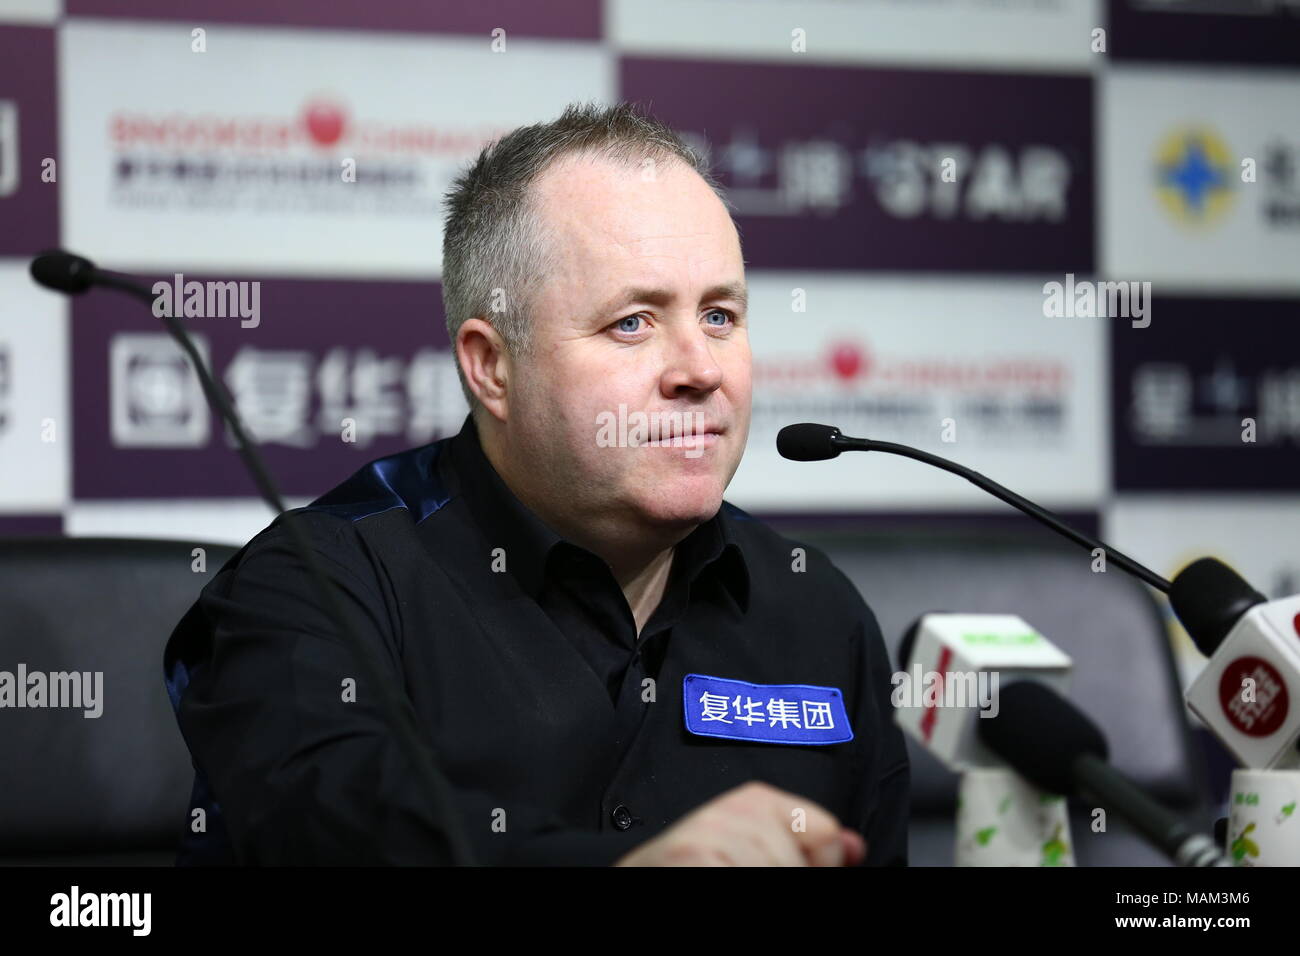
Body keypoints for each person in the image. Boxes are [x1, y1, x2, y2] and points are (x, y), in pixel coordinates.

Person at [163, 101, 909, 866]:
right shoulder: (317, 588)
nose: (701, 370)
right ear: (492, 367)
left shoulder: (815, 609)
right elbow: (333, 834)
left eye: (720, 316)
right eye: (632, 323)